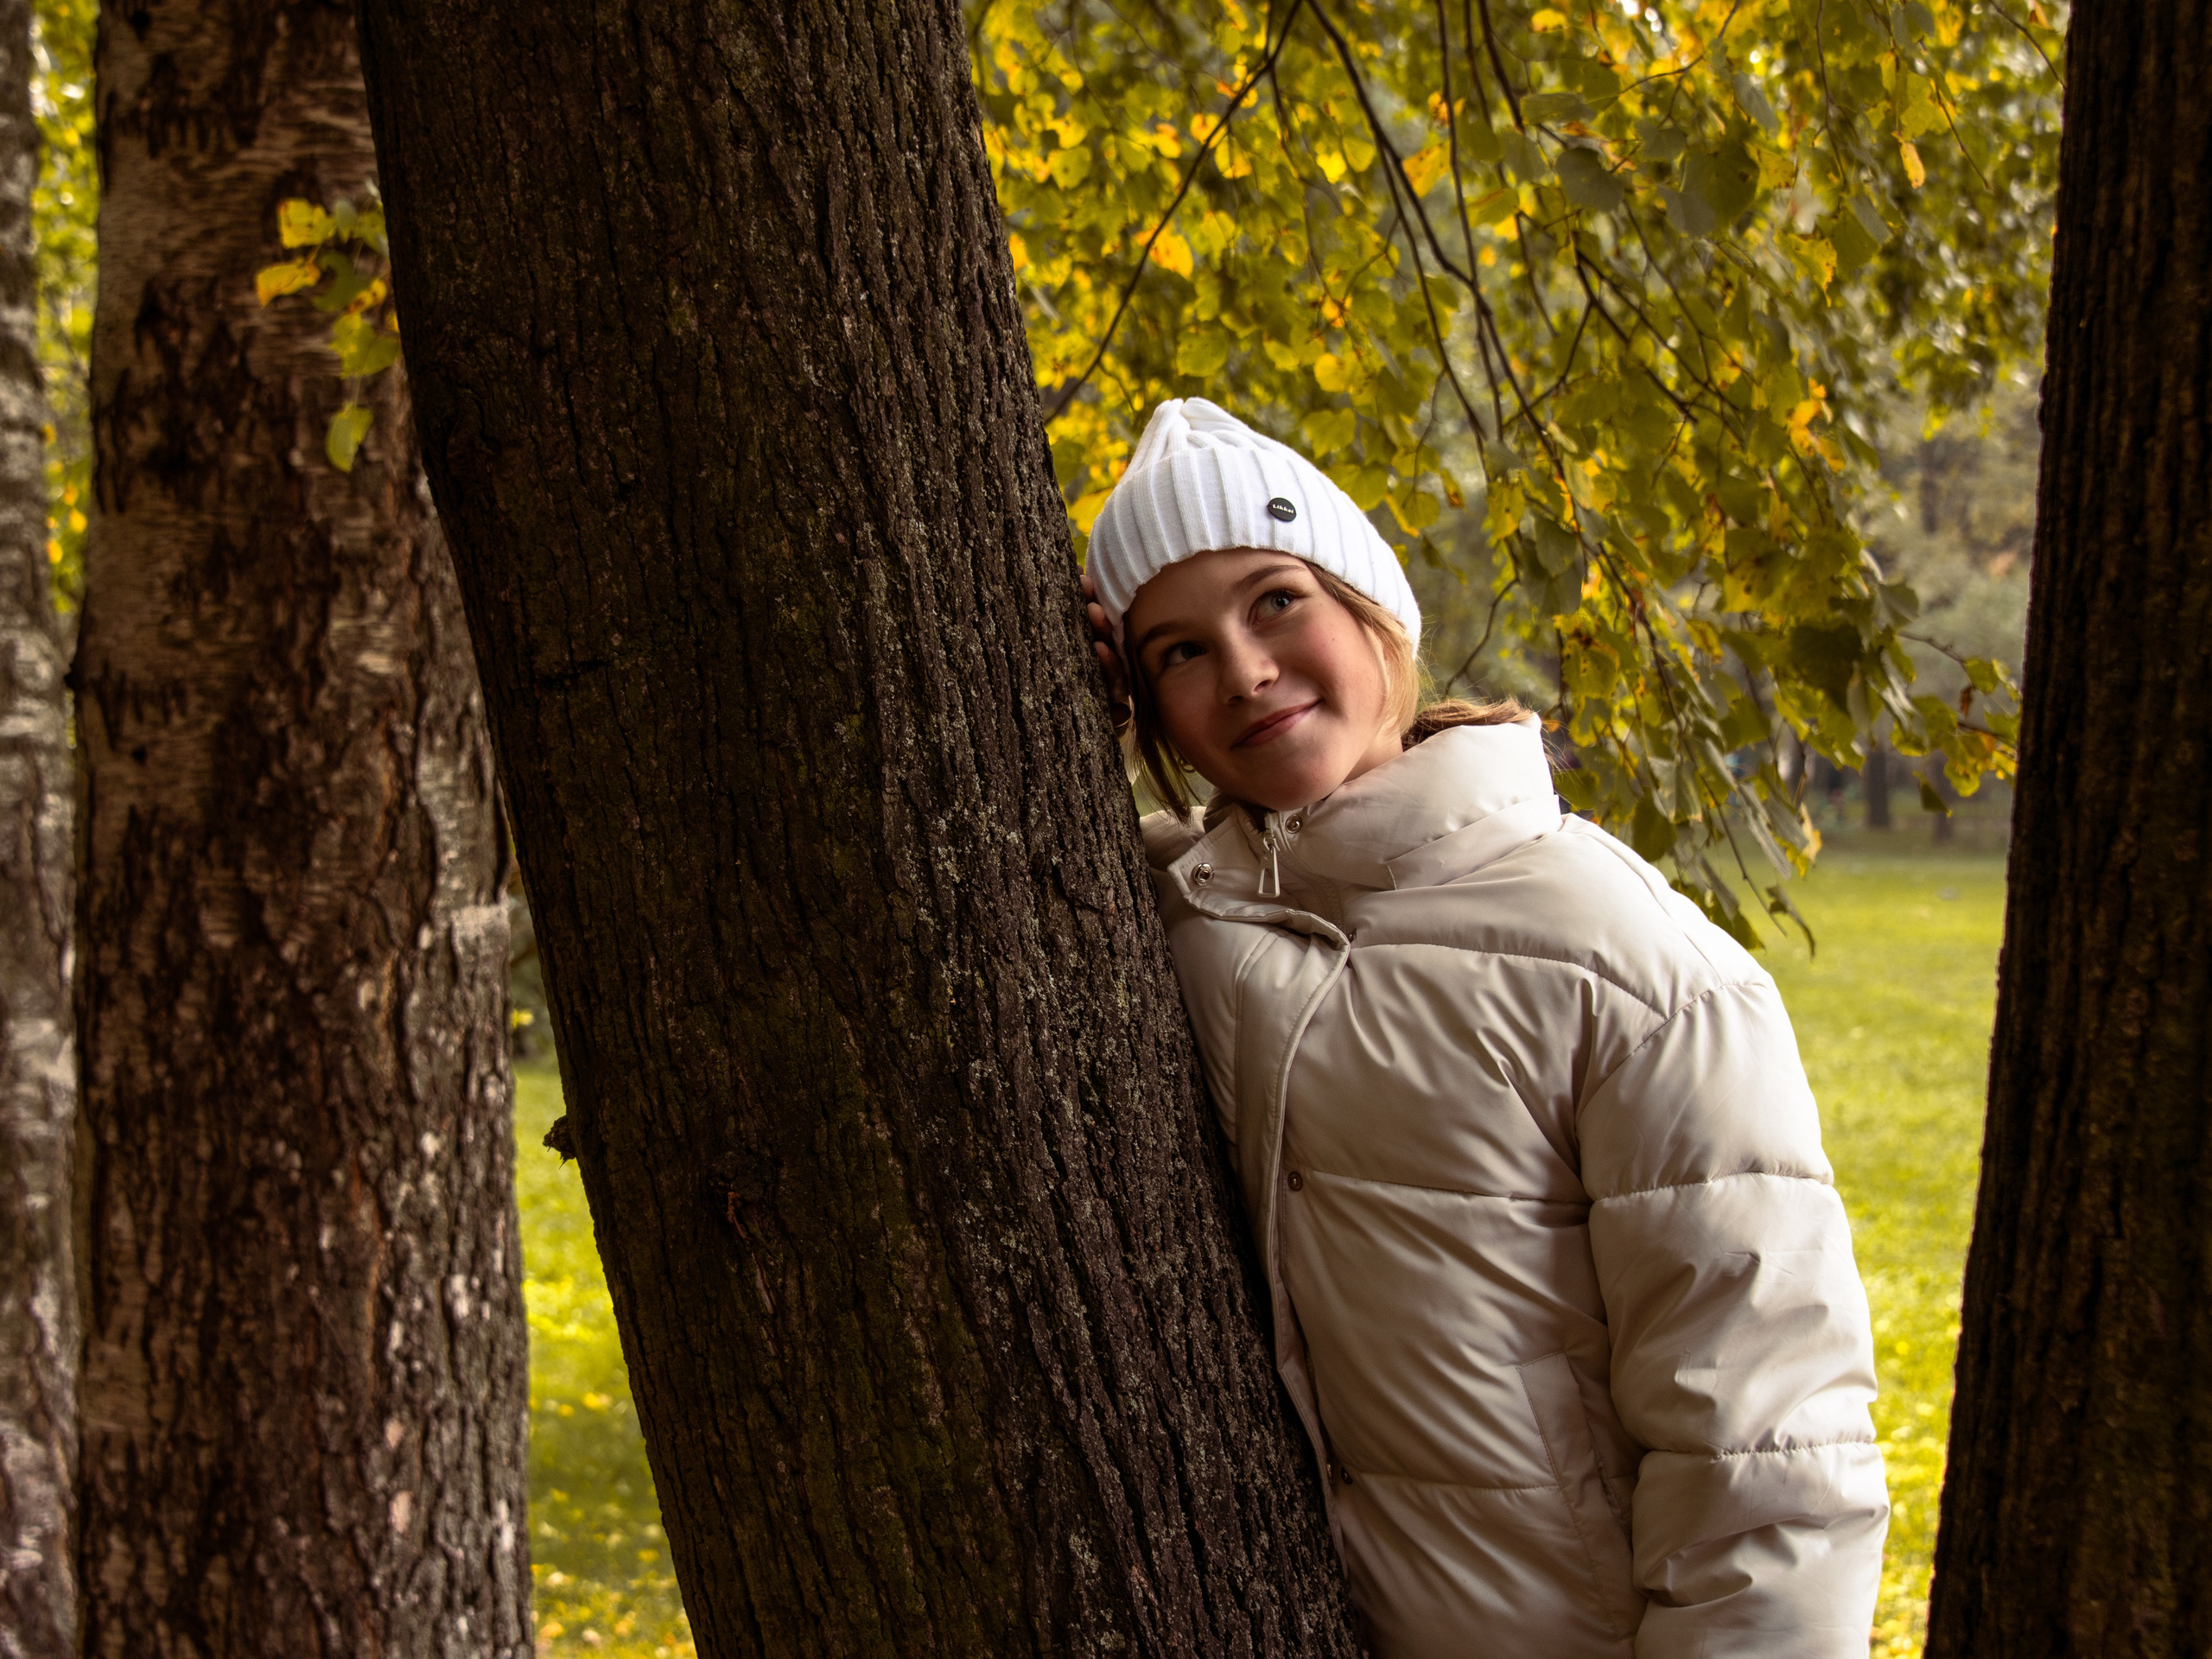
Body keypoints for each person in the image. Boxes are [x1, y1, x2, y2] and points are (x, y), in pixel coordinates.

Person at [1078, 397, 1888, 1657]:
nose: (1243, 671)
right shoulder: (1184, 916)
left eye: (1277, 600)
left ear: (1374, 610)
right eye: (1177, 653)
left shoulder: (1628, 963)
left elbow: (1767, 1441)